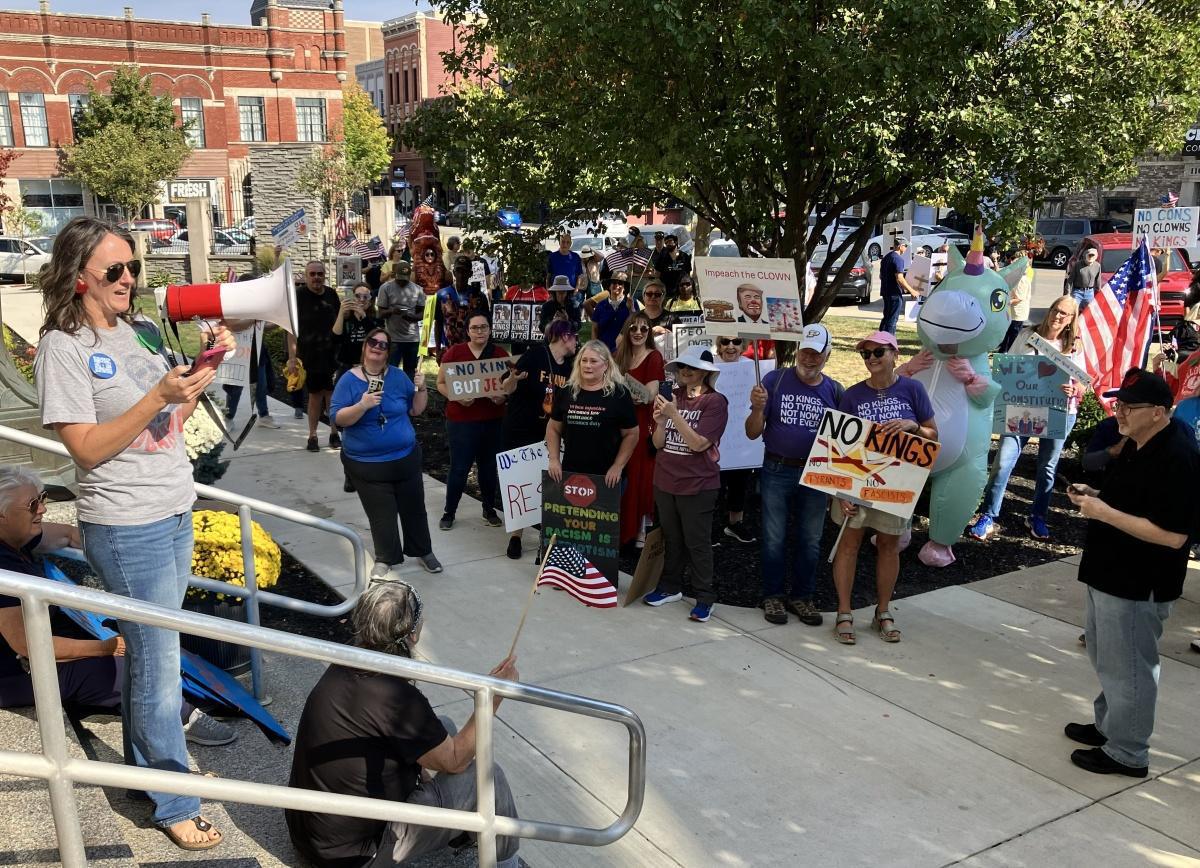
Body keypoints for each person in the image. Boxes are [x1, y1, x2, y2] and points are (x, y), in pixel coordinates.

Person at [33, 216, 236, 850]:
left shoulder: (140, 331)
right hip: (125, 524)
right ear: (78, 277)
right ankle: (174, 798)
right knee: (158, 661)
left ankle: (139, 770)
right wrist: (154, 397)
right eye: (115, 271)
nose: (129, 280)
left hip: (172, 507)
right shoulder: (61, 348)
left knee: (151, 656)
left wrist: (208, 365)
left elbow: (172, 414)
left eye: (133, 269)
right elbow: (86, 450)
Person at [286, 582, 521, 867]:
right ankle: (506, 862)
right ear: (411, 633)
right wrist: (492, 696)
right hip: (357, 855)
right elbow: (457, 760)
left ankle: (467, 827)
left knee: (442, 726)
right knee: (488, 775)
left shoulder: (348, 663)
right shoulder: (395, 698)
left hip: (313, 835)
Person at [0, 466, 236, 744]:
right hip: (14, 674)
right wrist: (104, 649)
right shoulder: (4, 569)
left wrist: (125, 558)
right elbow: (27, 645)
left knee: (134, 641)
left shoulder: (17, 538)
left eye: (43, 498)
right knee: (125, 668)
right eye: (32, 505)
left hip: (33, 652)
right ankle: (181, 716)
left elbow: (67, 535)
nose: (42, 509)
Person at [1064, 369, 1200, 777]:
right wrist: (1098, 497)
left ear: (1158, 412)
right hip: (1110, 571)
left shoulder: (1178, 456)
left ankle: (1128, 751)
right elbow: (1137, 503)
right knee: (1109, 658)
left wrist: (1103, 512)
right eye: (1117, 403)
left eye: (1128, 406)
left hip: (1140, 583)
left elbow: (1174, 536)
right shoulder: (1140, 442)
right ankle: (1111, 727)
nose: (1117, 411)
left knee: (1131, 668)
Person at [830, 331, 936, 645]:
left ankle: (883, 611)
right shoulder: (852, 395)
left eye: (878, 352)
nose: (872, 358)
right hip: (856, 483)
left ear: (894, 354)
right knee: (848, 546)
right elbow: (838, 447)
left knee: (889, 546)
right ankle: (844, 611)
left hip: (896, 485)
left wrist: (913, 427)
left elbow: (933, 434)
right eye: (866, 354)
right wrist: (840, 490)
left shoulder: (913, 390)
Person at [746, 323, 844, 626]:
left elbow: (843, 443)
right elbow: (752, 433)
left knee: (810, 539)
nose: (810, 359)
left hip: (816, 474)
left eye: (817, 354)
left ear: (827, 355)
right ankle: (772, 595)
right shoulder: (775, 380)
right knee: (774, 537)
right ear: (797, 352)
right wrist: (757, 409)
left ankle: (803, 596)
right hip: (777, 468)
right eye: (805, 352)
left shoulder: (835, 391)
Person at [968, 297, 1084, 542]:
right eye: (1055, 310)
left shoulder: (1074, 345)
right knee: (1003, 462)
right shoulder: (1027, 335)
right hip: (1020, 410)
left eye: (1065, 314)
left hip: (1058, 413)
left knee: (1047, 468)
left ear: (1072, 319)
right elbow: (1008, 367)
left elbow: (1082, 383)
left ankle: (1037, 516)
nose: (1058, 316)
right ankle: (988, 514)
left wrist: (1075, 390)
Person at [331, 328, 442, 579]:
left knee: (414, 509)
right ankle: (385, 558)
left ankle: (423, 551)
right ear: (364, 346)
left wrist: (422, 389)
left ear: (387, 352)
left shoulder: (398, 376)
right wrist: (362, 405)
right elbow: (337, 419)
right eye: (373, 342)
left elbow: (415, 410)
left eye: (384, 344)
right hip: (367, 464)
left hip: (405, 458)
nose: (377, 347)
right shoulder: (348, 380)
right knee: (382, 514)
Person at [642, 347, 729, 622]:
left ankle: (705, 597)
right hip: (666, 480)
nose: (686, 373)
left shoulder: (715, 402)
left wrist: (674, 415)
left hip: (698, 484)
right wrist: (659, 422)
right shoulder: (672, 398)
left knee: (697, 542)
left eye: (691, 368)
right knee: (672, 538)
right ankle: (670, 587)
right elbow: (658, 444)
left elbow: (698, 444)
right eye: (681, 368)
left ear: (705, 372)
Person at [499, 320, 576, 559]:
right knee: (520, 483)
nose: (577, 341)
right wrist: (514, 379)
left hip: (550, 433)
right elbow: (506, 387)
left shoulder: (570, 367)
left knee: (549, 484)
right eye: (574, 336)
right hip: (521, 428)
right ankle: (516, 537)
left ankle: (546, 538)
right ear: (564, 336)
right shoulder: (534, 355)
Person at [436, 312, 508, 531]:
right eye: (475, 328)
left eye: (484, 327)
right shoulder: (455, 353)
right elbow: (440, 382)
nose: (480, 332)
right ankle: (449, 511)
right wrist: (455, 396)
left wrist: (502, 396)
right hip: (461, 421)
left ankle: (489, 509)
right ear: (467, 330)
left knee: (488, 468)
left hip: (492, 420)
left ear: (490, 329)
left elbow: (510, 386)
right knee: (459, 467)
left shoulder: (499, 354)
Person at [546, 340, 639, 491]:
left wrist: (618, 466)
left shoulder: (619, 394)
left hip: (607, 478)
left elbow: (632, 434)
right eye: (584, 360)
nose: (587, 365)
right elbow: (553, 428)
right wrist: (554, 459)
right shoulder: (566, 391)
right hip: (571, 474)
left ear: (606, 365)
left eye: (593, 361)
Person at [613, 312, 665, 546]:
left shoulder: (654, 357)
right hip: (617, 424)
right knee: (619, 472)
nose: (638, 332)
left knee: (638, 474)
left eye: (644, 329)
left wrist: (633, 393)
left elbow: (650, 394)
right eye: (633, 327)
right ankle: (619, 527)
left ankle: (638, 531)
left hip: (642, 424)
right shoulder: (618, 357)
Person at [287, 260, 342, 453]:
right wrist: (292, 357)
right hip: (310, 356)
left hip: (332, 353)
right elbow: (291, 331)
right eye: (312, 274)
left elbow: (340, 321)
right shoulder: (298, 297)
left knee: (333, 396)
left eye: (320, 274)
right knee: (315, 396)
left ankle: (334, 433)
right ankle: (312, 435)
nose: (316, 277)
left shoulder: (331, 294)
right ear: (306, 276)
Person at [714, 336, 756, 543]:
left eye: (736, 341)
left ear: (744, 346)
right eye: (725, 341)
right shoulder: (709, 366)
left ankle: (735, 523)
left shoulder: (753, 368)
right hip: (714, 435)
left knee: (741, 480)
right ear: (718, 345)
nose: (730, 346)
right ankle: (711, 525)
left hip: (741, 436)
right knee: (713, 483)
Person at [376, 260, 425, 379]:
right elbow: (380, 314)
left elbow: (422, 313)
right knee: (390, 370)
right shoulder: (385, 288)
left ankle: (409, 394)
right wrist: (392, 311)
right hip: (393, 338)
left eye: (405, 279)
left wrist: (412, 317)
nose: (402, 282)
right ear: (394, 275)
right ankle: (389, 393)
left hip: (412, 338)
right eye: (399, 279)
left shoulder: (417, 289)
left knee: (410, 371)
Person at [436, 256, 490, 352]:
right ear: (454, 272)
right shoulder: (442, 295)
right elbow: (438, 323)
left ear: (470, 274)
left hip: (475, 350)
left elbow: (487, 324)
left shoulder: (479, 296)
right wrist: (438, 349)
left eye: (465, 271)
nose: (461, 275)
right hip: (449, 349)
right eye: (458, 270)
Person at [332, 283, 380, 379]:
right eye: (357, 296)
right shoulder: (346, 318)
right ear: (352, 298)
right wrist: (341, 312)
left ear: (370, 301)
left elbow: (376, 339)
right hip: (347, 366)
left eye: (365, 297)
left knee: (372, 393)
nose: (361, 300)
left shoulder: (374, 318)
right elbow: (335, 338)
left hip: (369, 366)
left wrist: (363, 316)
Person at [588, 272, 639, 352]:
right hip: (603, 350)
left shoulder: (632, 303)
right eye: (614, 283)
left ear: (624, 287)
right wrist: (594, 348)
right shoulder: (600, 305)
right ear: (609, 286)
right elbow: (594, 329)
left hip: (624, 350)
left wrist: (631, 309)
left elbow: (637, 324)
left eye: (620, 283)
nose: (617, 286)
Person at [879, 238, 916, 336]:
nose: (906, 248)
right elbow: (900, 278)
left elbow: (881, 275)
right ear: (900, 246)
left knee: (886, 318)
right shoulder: (898, 259)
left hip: (885, 292)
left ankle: (879, 340)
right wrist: (912, 291)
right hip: (894, 293)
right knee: (892, 319)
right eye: (906, 246)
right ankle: (889, 343)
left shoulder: (886, 257)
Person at [998, 251, 1033, 352]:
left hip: (1017, 313)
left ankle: (1008, 352)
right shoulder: (1021, 278)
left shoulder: (1022, 280)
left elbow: (1019, 298)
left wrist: (1004, 302)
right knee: (1008, 333)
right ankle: (1003, 350)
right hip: (1014, 313)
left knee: (1013, 335)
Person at [652, 233, 692, 297]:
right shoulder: (662, 257)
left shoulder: (684, 256)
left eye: (670, 241)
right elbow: (657, 274)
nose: (668, 244)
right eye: (666, 242)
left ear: (676, 242)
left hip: (681, 291)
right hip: (666, 292)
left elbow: (688, 274)